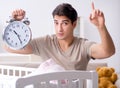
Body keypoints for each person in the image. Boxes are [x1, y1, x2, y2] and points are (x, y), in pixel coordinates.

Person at [3, 2, 115, 70]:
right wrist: (15, 23)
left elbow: (108, 52)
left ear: (74, 24)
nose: (59, 28)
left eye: (65, 23)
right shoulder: (45, 42)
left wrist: (101, 26)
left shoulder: (83, 46)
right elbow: (8, 47)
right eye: (56, 22)